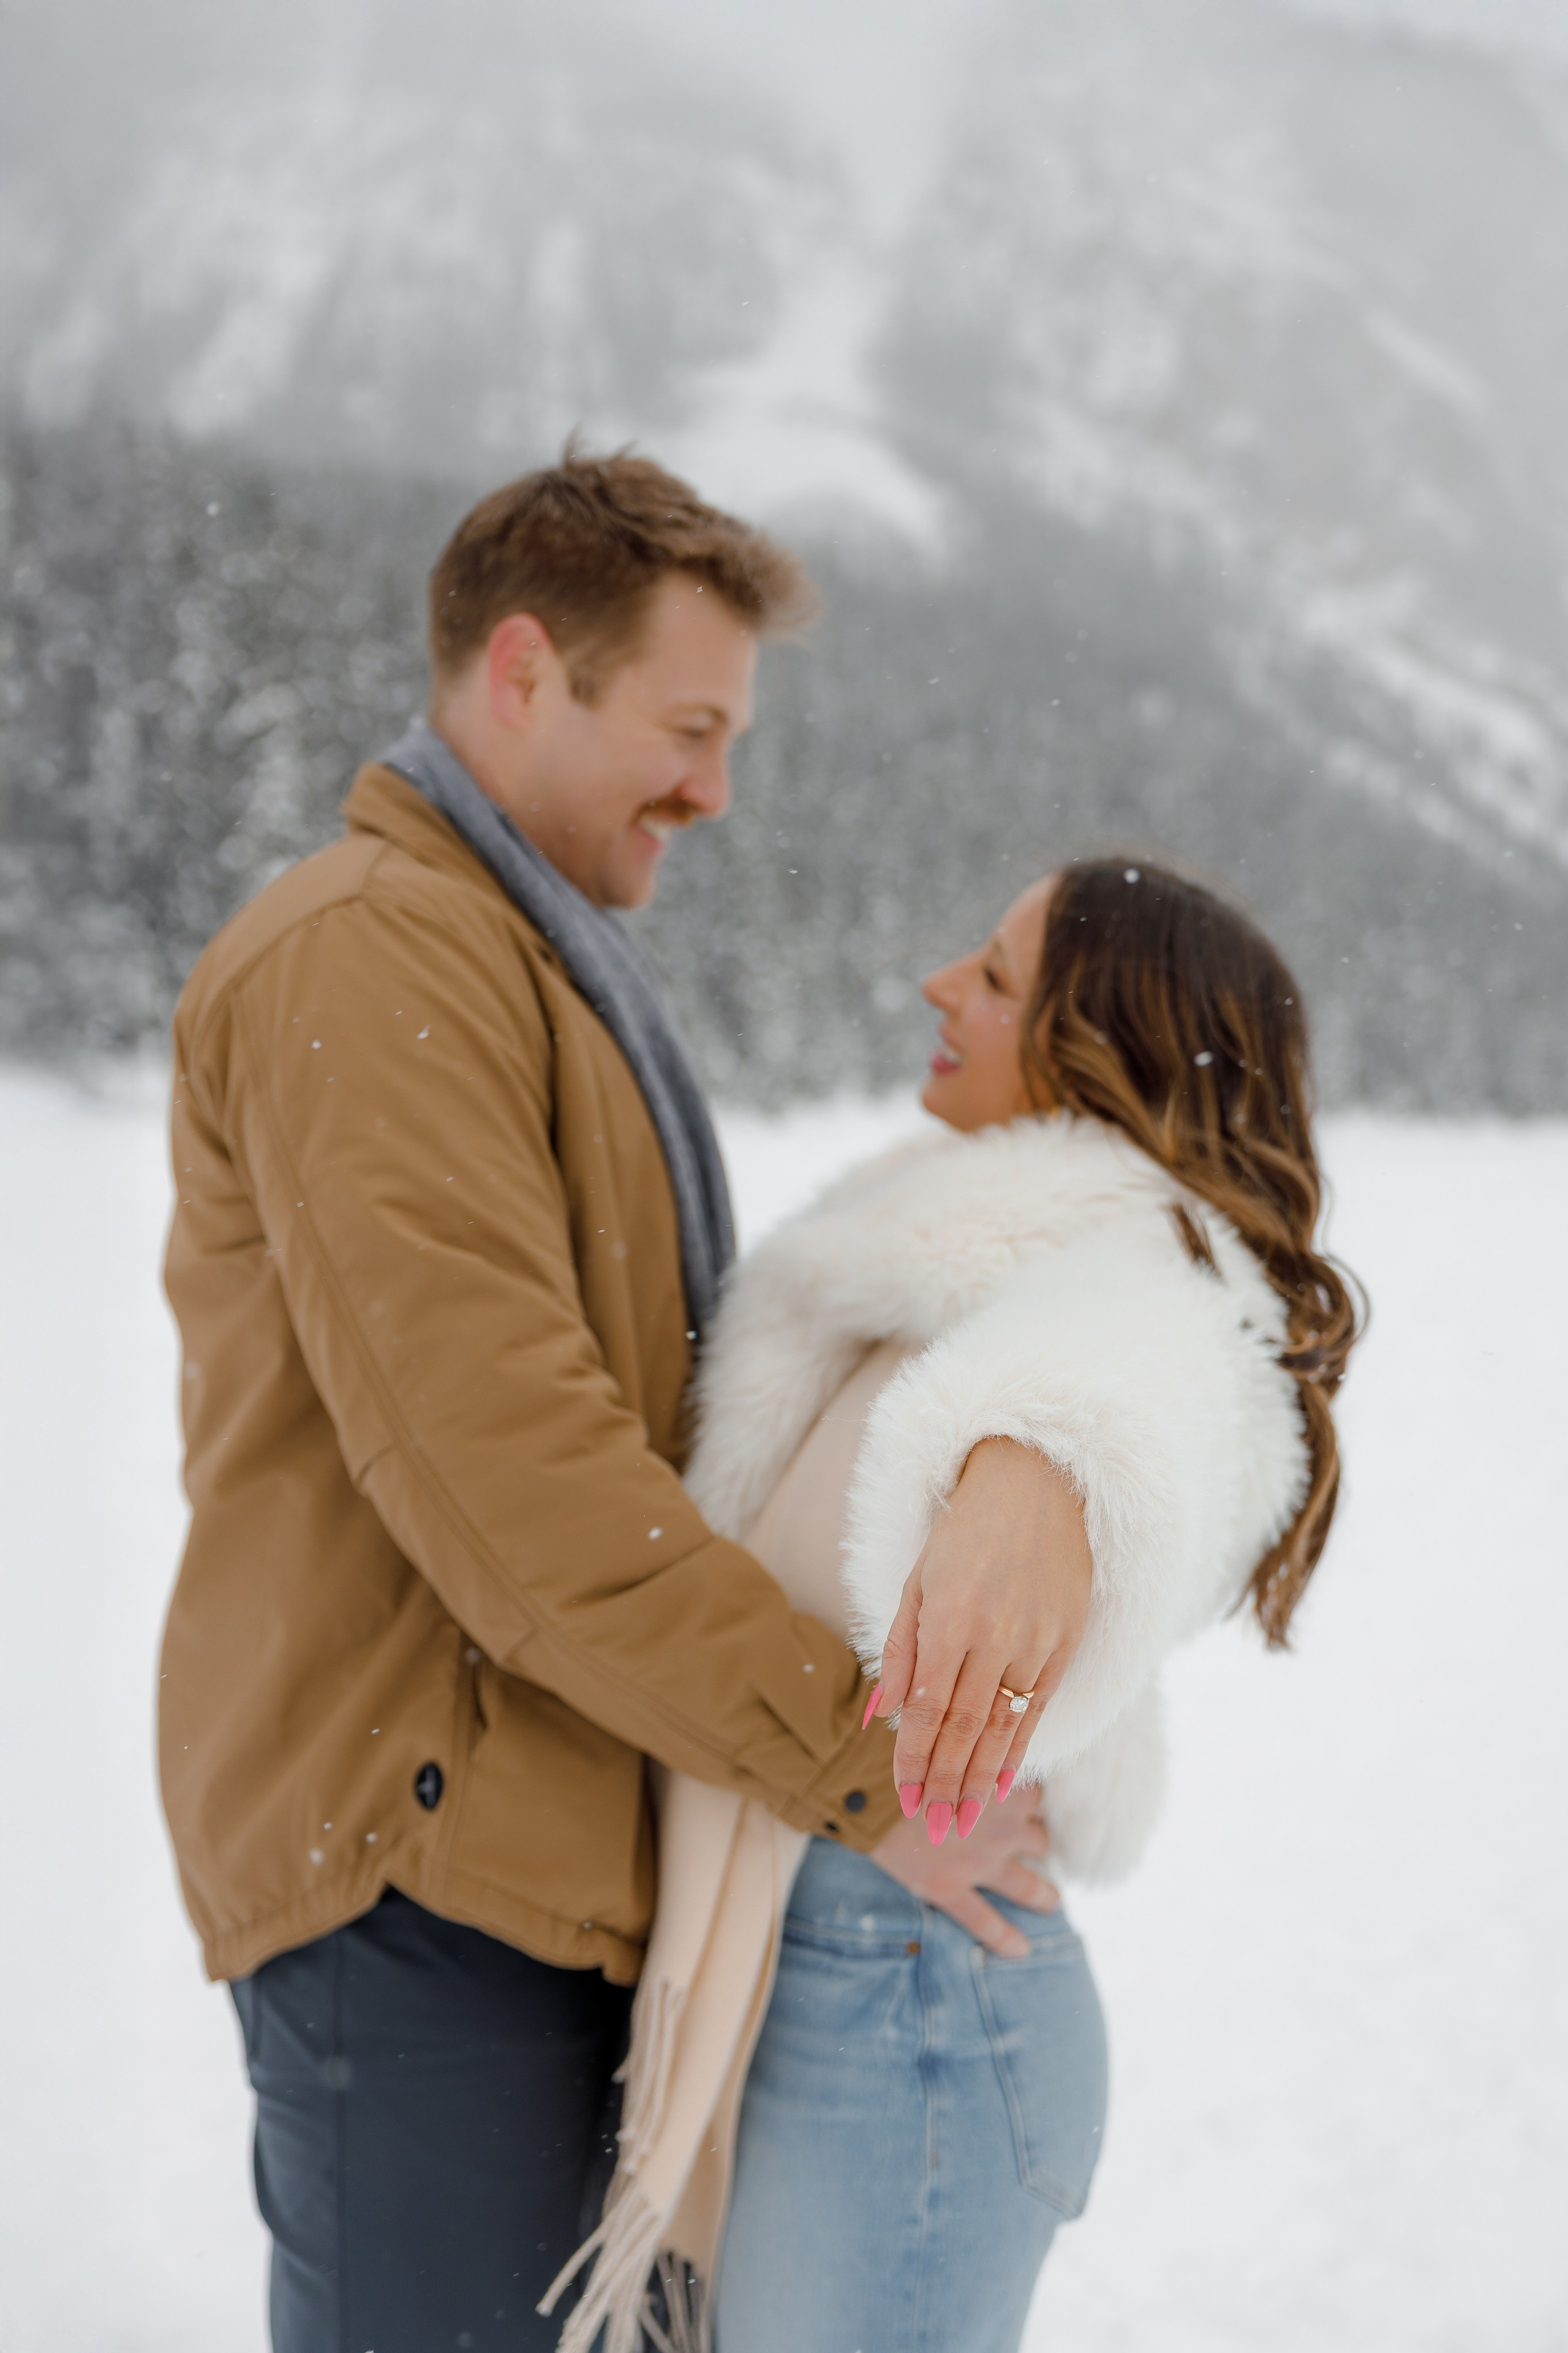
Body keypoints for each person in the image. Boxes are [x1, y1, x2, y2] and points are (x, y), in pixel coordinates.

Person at [157, 447, 1093, 2353]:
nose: (715, 789)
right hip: (421, 1878)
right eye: (685, 725)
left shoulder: (528, 966)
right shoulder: (371, 962)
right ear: (524, 670)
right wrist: (859, 1765)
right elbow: (514, 1484)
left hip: (548, 1855)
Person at [559, 859, 1362, 2353]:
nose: (939, 984)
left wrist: (1048, 1453)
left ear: (1097, 1048)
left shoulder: (1144, 1267)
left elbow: (1173, 1376)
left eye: (994, 976)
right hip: (843, 1971)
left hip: (914, 2008)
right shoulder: (939, 1262)